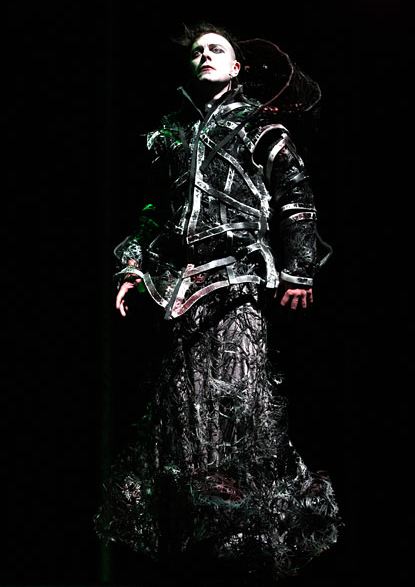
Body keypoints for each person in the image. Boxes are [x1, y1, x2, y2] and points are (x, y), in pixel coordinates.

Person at [94, 22, 341, 585]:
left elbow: (295, 195)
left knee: (236, 403)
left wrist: (299, 269)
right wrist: (131, 268)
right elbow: (153, 211)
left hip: (235, 283)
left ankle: (240, 536)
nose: (205, 55)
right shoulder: (172, 134)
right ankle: (199, 537)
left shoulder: (258, 124)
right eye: (197, 51)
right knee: (184, 419)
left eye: (216, 49)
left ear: (236, 67)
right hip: (176, 293)